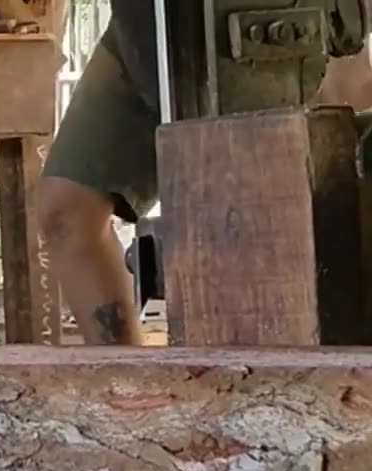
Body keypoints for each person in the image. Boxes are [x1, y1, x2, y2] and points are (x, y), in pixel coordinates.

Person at [38, 3, 372, 345]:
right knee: (68, 212)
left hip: (265, 19)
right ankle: (132, 391)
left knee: (281, 233)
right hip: (153, 23)